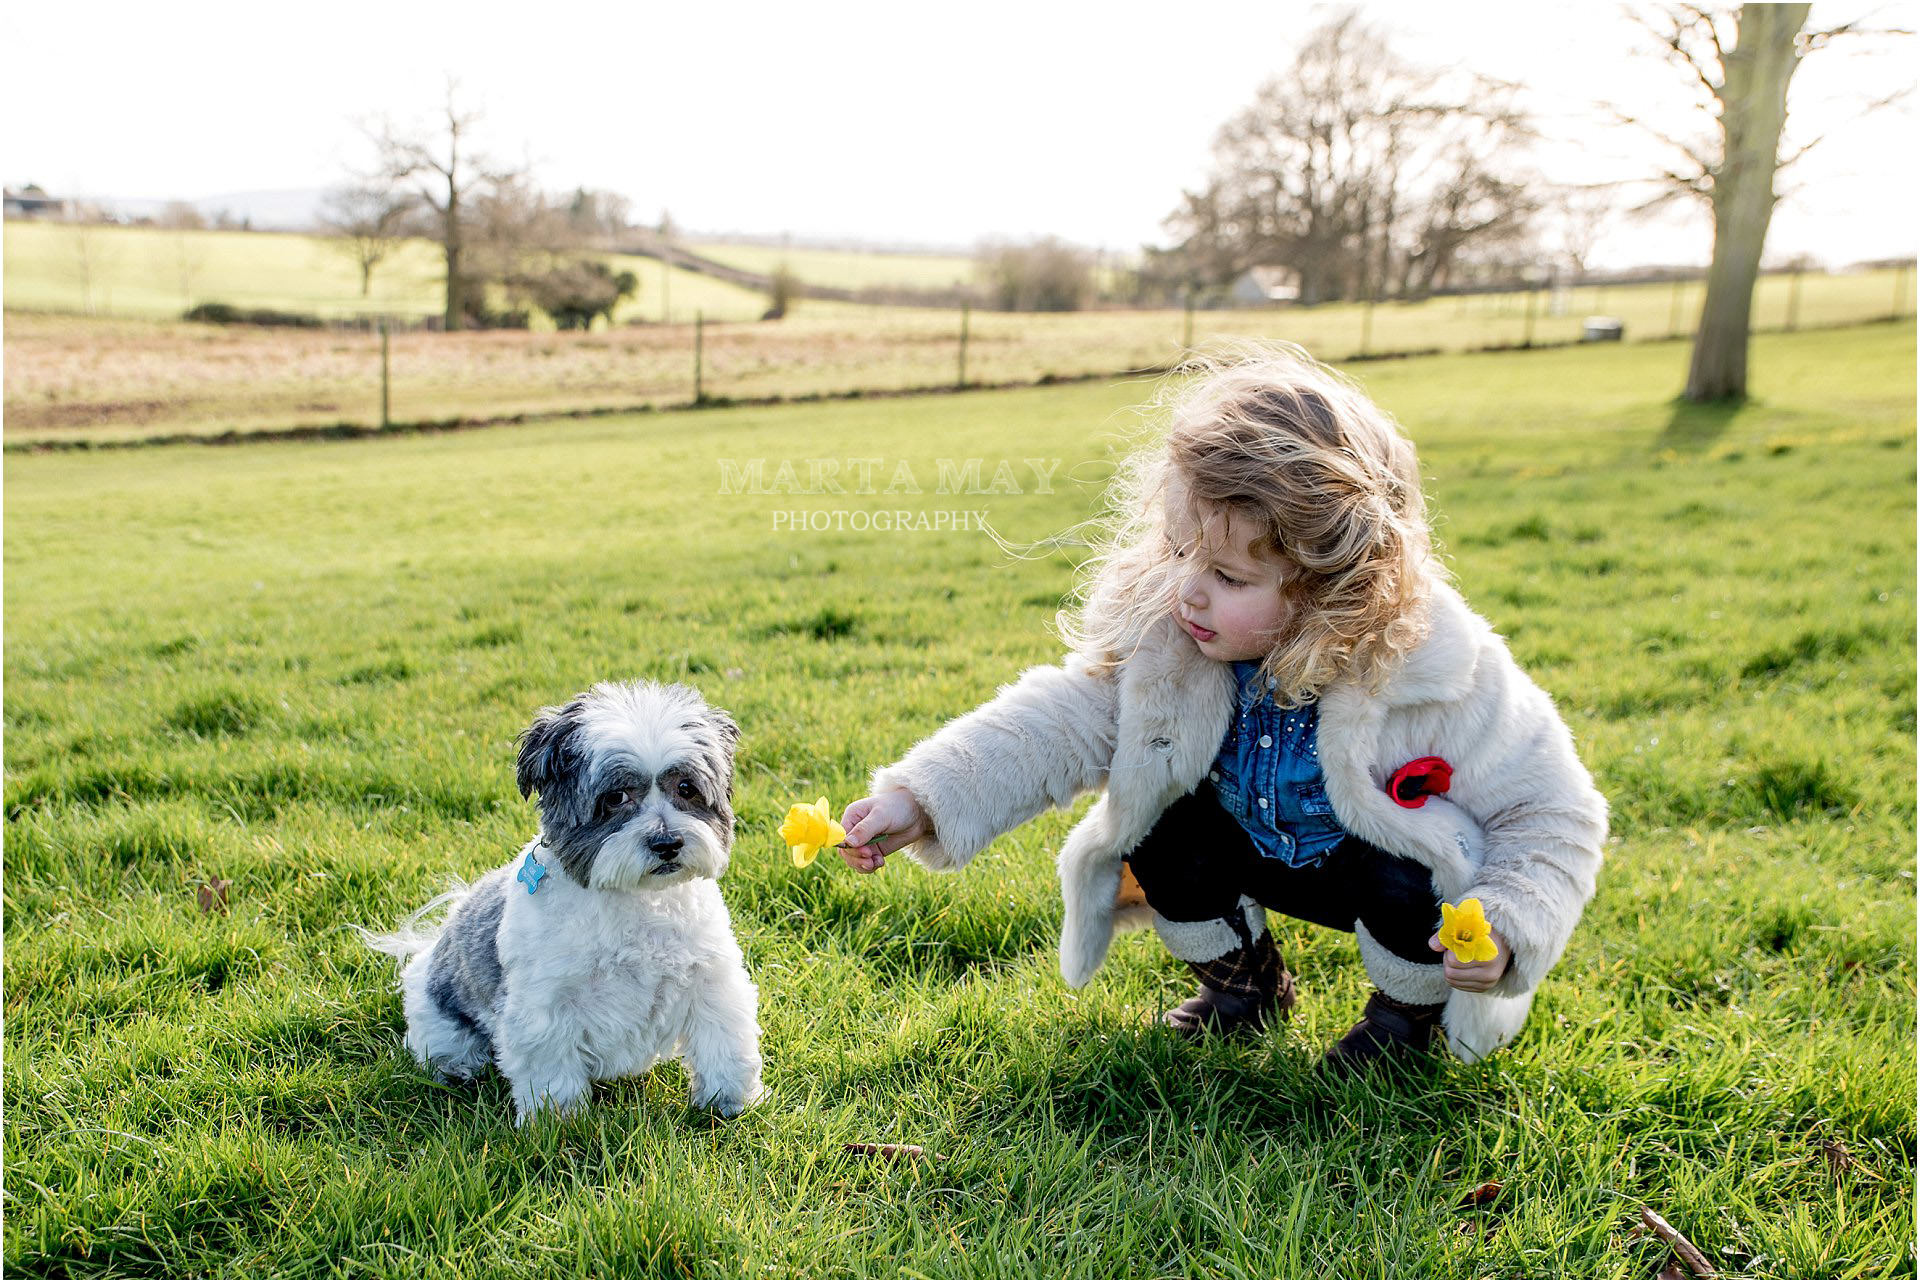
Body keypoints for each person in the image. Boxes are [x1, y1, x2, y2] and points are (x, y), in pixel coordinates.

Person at [835, 344, 1608, 1071]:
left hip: (1375, 870)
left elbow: (1557, 810)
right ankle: (1243, 982)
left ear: (1334, 585)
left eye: (1230, 577)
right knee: (1158, 818)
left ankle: (1407, 1017)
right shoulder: (1174, 638)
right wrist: (924, 798)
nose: (1188, 591)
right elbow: (1060, 721)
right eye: (1179, 552)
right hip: (1252, 844)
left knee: (1407, 872)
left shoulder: (1441, 671)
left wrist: (1507, 924)